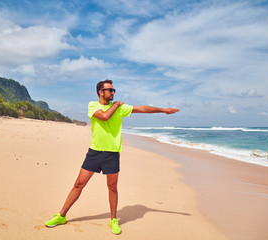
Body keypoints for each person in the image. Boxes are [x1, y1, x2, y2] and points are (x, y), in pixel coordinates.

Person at [45, 79, 179, 235]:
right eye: (110, 90)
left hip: (112, 153)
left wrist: (163, 110)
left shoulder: (120, 108)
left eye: (114, 90)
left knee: (112, 187)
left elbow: (141, 108)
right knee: (78, 184)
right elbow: (104, 117)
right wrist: (116, 105)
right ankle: (61, 216)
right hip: (94, 152)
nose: (113, 93)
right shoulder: (93, 105)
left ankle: (113, 219)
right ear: (101, 92)